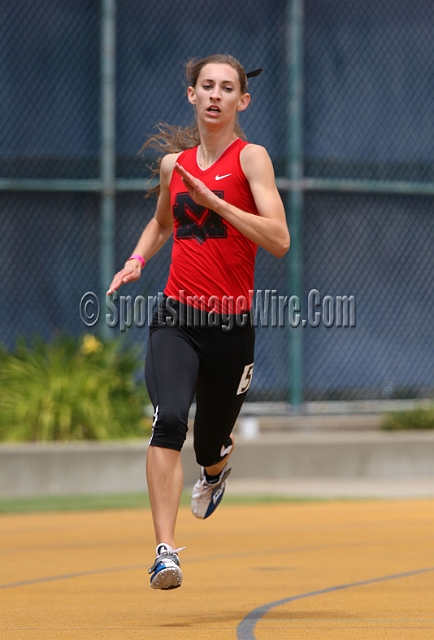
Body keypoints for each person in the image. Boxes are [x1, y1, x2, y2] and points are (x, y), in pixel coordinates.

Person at [107, 53, 290, 590]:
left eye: (226, 87)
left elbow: (278, 239)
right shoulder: (174, 166)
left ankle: (215, 468)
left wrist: (220, 203)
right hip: (177, 316)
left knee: (208, 442)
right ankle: (165, 552)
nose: (214, 95)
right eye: (205, 86)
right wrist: (137, 260)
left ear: (242, 100)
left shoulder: (252, 159)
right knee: (168, 421)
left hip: (232, 329)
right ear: (192, 95)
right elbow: (162, 223)